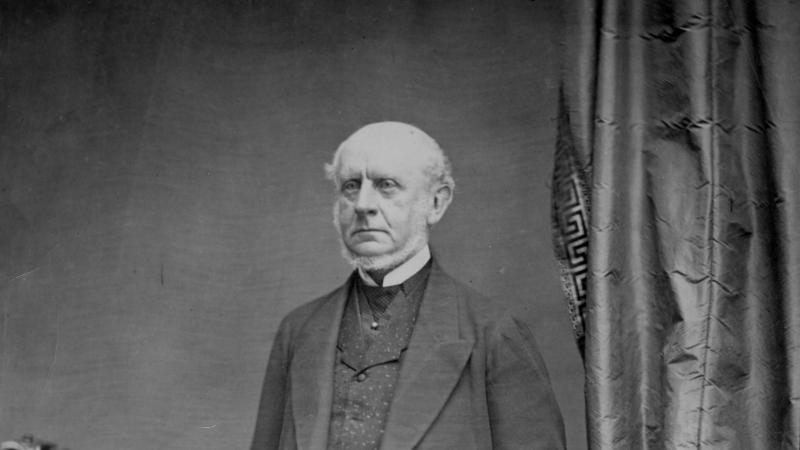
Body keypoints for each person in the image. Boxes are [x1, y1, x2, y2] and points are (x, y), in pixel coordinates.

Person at [251, 122, 565, 449]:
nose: (363, 204)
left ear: (436, 203)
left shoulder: (494, 334)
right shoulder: (298, 331)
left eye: (386, 185)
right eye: (350, 186)